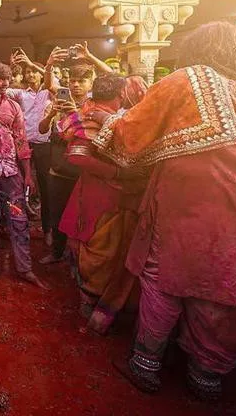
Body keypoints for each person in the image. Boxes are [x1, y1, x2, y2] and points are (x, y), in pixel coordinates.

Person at [94, 22, 236, 401]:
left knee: (166, 279)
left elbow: (129, 136)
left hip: (189, 199)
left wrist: (102, 120)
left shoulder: (188, 79)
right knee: (221, 288)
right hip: (235, 210)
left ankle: (146, 364)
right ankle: (206, 376)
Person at [57, 75, 148, 334]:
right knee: (102, 247)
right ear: (120, 95)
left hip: (103, 193)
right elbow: (77, 157)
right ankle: (93, 300)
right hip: (105, 194)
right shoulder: (95, 117)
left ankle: (98, 299)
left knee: (101, 246)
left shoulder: (111, 118)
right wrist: (119, 174)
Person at [0, 62, 47, 289]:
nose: (5, 84)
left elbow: (21, 140)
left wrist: (28, 174)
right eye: (0, 79)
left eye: (8, 79)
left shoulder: (13, 106)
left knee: (18, 219)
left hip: (11, 171)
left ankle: (25, 268)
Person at [37, 61, 96, 265]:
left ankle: (79, 259)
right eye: (73, 81)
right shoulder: (58, 103)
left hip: (82, 173)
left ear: (91, 84)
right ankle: (56, 252)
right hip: (58, 170)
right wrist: (53, 113)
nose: (76, 85)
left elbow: (89, 136)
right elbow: (42, 129)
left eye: (82, 81)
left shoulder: (94, 107)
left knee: (83, 216)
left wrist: (76, 114)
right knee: (57, 215)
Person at [8, 50, 53, 244]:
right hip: (23, 145)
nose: (31, 75)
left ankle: (48, 228)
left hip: (44, 145)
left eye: (34, 72)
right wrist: (12, 68)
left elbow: (51, 80)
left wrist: (34, 64)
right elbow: (3, 88)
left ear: (41, 73)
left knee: (46, 188)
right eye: (27, 72)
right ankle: (19, 223)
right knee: (18, 185)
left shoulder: (48, 92)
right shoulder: (20, 94)